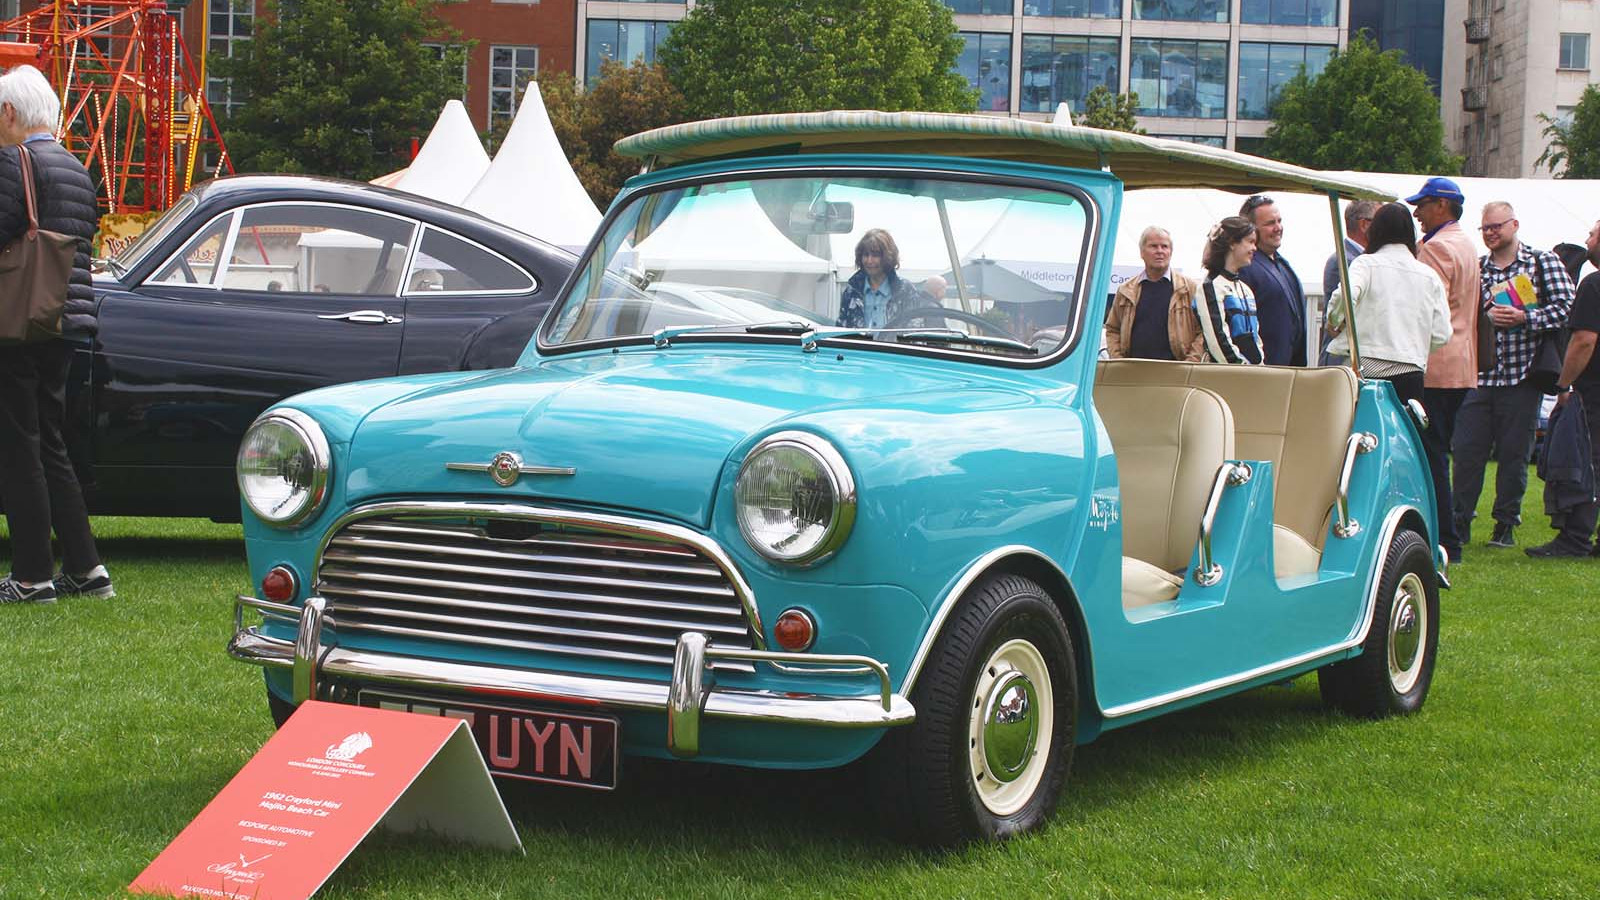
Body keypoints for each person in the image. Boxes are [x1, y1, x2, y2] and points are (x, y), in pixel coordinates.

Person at [0, 65, 111, 603]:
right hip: (66, 320)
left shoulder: (12, 162)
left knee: (19, 447)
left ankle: (31, 576)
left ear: (9, 112)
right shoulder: (75, 168)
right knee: (51, 445)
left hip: (18, 321)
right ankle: (87, 569)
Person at [1452, 201, 1576, 550]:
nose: (1490, 233)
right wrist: (1483, 318)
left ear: (1514, 225)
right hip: (1479, 377)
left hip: (1523, 377)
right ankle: (1459, 522)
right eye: (1485, 228)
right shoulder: (1476, 267)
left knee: (1514, 456)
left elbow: (1568, 308)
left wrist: (1526, 318)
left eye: (1496, 227)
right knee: (1467, 454)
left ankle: (1505, 524)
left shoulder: (1541, 262)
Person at [1409, 176, 1480, 563]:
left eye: (1422, 205)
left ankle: (1445, 539)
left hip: (1436, 364)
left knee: (1431, 456)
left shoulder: (1436, 248)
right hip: (1461, 364)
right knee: (1438, 452)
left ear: (1441, 205)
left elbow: (1425, 307)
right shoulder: (1465, 243)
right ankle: (1448, 535)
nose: (1417, 213)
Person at [1325, 203, 1453, 412]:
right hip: (1411, 372)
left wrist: (1334, 320)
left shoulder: (1365, 264)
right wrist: (1413, 347)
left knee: (1362, 430)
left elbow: (1345, 295)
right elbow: (1442, 334)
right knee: (1404, 432)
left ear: (1376, 230)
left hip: (1366, 369)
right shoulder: (1429, 276)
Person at [1528, 219, 1600, 558]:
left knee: (1586, 461)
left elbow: (1584, 340)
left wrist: (1564, 382)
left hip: (1593, 390)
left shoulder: (1593, 285)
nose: (1588, 239)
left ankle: (1575, 537)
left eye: (1593, 234)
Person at [1104, 226, 1205, 361]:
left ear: (1171, 252)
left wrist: (1191, 362)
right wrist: (1118, 360)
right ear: (1142, 252)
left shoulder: (1189, 289)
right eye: (1153, 246)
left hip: (1177, 369)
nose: (1160, 251)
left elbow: (1203, 331)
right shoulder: (1126, 290)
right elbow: (1112, 329)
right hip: (1132, 368)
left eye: (1164, 246)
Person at [1237, 195, 1308, 366]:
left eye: (1279, 221)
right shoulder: (1245, 268)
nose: (1278, 228)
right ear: (1251, 229)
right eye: (1270, 223)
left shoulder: (1282, 264)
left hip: (1290, 368)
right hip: (1264, 369)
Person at [1193, 216, 1264, 365]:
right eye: (1250, 241)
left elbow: (1255, 339)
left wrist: (1259, 366)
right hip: (1225, 373)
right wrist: (1242, 367)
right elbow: (1217, 341)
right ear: (1232, 243)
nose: (1254, 248)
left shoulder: (1246, 290)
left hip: (1252, 373)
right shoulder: (1210, 287)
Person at [1320, 199, 1378, 366]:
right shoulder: (1345, 260)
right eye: (1381, 221)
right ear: (1364, 224)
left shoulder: (1360, 259)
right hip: (1341, 361)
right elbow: (1339, 318)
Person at [837, 228, 917, 329]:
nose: (869, 261)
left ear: (888, 257)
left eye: (875, 255)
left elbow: (914, 329)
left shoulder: (904, 290)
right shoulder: (852, 291)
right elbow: (841, 328)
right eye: (866, 255)